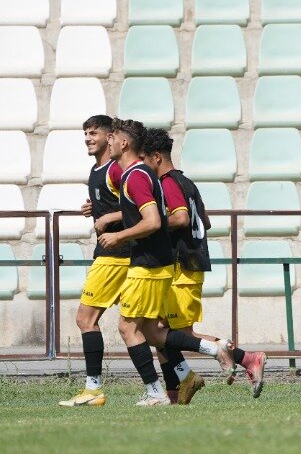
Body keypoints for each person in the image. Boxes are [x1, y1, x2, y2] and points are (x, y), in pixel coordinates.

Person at [98, 119, 236, 406]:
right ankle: (209, 354)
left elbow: (152, 221)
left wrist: (119, 235)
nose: (107, 142)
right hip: (161, 264)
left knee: (128, 328)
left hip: (149, 264)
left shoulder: (136, 176)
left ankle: (156, 392)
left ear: (124, 143)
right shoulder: (147, 175)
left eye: (112, 138)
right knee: (152, 331)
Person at [140, 129, 268, 403]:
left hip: (182, 268)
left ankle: (247, 358)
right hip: (189, 265)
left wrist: (154, 223)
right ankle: (176, 392)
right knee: (163, 333)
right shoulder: (186, 182)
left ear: (156, 157)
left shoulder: (167, 183)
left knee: (174, 336)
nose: (143, 168)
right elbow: (205, 222)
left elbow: (183, 218)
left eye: (144, 160)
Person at [60, 115, 128, 407]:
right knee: (147, 328)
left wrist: (109, 217)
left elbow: (142, 206)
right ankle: (180, 377)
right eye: (85, 133)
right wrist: (95, 208)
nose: (88, 138)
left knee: (85, 319)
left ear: (109, 136)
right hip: (121, 256)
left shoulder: (115, 169)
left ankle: (93, 389)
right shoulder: (96, 170)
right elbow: (117, 203)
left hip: (114, 256)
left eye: (93, 133)